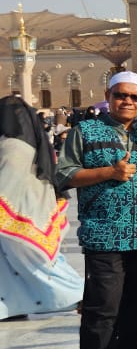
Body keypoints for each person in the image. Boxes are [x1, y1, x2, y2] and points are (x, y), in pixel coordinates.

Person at [57, 72, 137, 349]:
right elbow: (64, 174)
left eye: (134, 97)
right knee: (103, 304)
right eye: (121, 95)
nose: (127, 101)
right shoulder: (85, 131)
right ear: (108, 95)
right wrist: (109, 172)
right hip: (104, 233)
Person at [0, 96, 81, 321]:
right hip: (33, 211)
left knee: (34, 265)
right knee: (24, 264)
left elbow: (7, 181)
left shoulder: (11, 146)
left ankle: (77, 294)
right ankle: (12, 306)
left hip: (15, 214)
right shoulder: (33, 142)